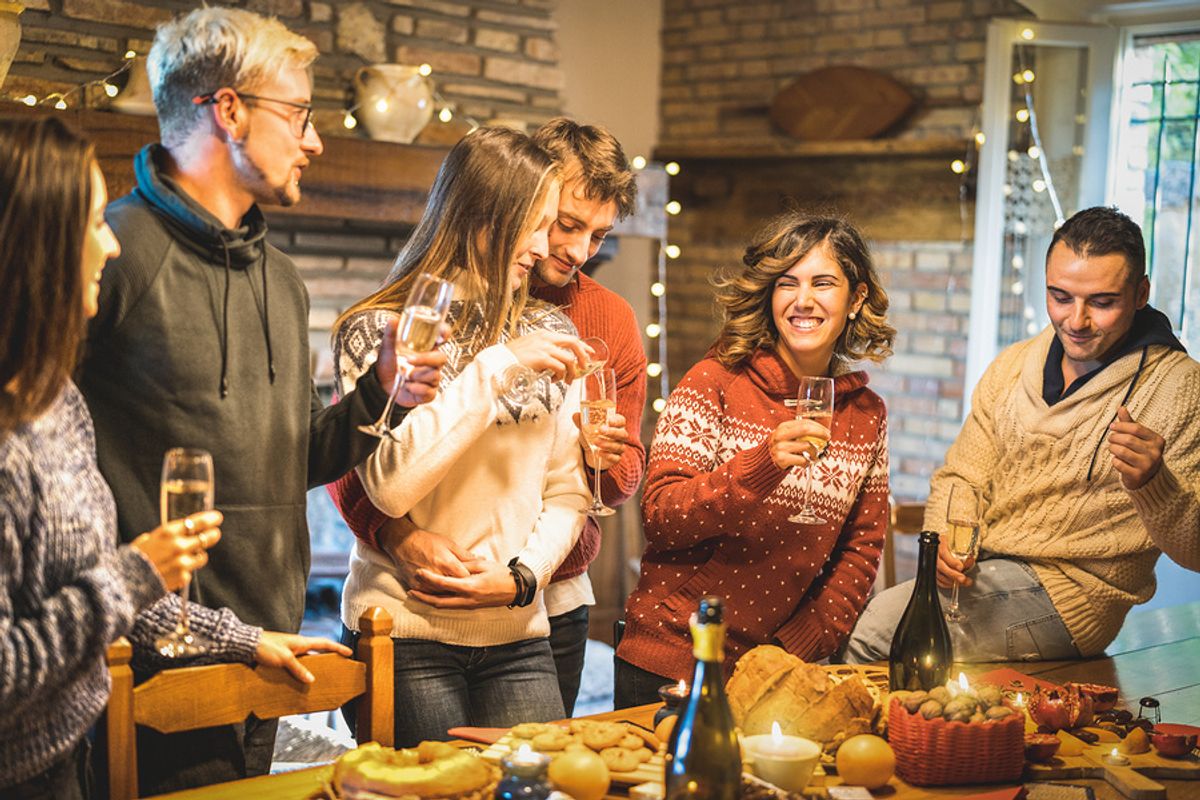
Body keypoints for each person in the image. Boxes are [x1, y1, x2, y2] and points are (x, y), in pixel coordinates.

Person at [76, 8, 442, 793]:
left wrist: (384, 392)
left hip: (268, 645)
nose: (314, 140)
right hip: (150, 652)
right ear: (229, 109)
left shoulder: (283, 277)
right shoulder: (112, 252)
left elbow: (302, 454)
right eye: (300, 114)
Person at [0, 116, 307, 799]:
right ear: (36, 244)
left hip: (68, 759)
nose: (111, 246)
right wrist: (138, 572)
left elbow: (101, 589)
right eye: (92, 222)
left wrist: (244, 640)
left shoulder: (56, 405)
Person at [328, 117, 647, 715]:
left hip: (535, 609)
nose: (576, 252)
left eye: (598, 235)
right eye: (561, 224)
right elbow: (357, 468)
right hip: (410, 615)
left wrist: (526, 575)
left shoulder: (580, 324)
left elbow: (592, 485)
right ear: (499, 209)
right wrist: (394, 536)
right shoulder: (398, 325)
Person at [844, 206, 1200, 664]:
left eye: (1102, 302)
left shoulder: (1179, 388)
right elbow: (961, 477)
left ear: (1140, 293)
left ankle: (874, 738)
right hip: (987, 570)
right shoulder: (1015, 364)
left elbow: (1195, 553)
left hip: (1074, 599)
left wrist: (1155, 484)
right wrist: (948, 536)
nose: (1077, 320)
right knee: (857, 619)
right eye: (1060, 296)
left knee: (878, 633)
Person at [614, 212, 895, 708]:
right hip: (675, 658)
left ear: (856, 299)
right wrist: (761, 466)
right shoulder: (713, 382)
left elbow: (862, 549)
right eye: (787, 283)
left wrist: (796, 646)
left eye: (823, 283)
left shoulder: (866, 414)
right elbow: (660, 517)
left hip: (780, 672)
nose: (802, 300)